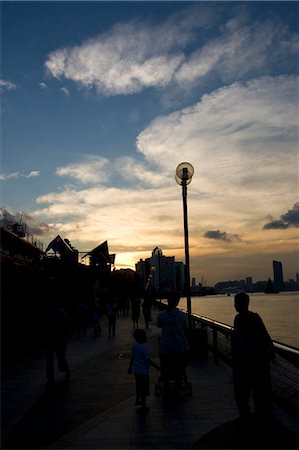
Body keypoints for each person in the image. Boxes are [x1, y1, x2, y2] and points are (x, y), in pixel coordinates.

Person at [232, 292, 275, 426]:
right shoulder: (252, 318)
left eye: (236, 303)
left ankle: (247, 416)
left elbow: (239, 339)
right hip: (256, 361)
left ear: (242, 304)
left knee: (243, 392)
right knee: (257, 391)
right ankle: (258, 417)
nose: (234, 306)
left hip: (247, 361)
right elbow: (265, 336)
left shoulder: (240, 319)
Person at [157, 291, 189, 390]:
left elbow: (159, 325)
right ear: (177, 302)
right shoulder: (182, 316)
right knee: (180, 366)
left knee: (166, 366)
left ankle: (166, 383)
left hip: (166, 345)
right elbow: (186, 328)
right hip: (180, 345)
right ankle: (179, 382)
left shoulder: (161, 315)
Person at [128, 328, 159, 412]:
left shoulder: (134, 347)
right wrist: (156, 366)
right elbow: (148, 360)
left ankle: (138, 399)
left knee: (138, 386)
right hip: (143, 371)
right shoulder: (144, 348)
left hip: (136, 371)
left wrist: (130, 368)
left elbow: (132, 358)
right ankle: (143, 406)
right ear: (143, 337)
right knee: (144, 388)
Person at [42, 302, 70, 386]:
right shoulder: (60, 313)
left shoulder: (50, 314)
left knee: (53, 360)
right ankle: (63, 372)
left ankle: (52, 377)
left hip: (54, 340)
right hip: (55, 341)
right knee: (57, 359)